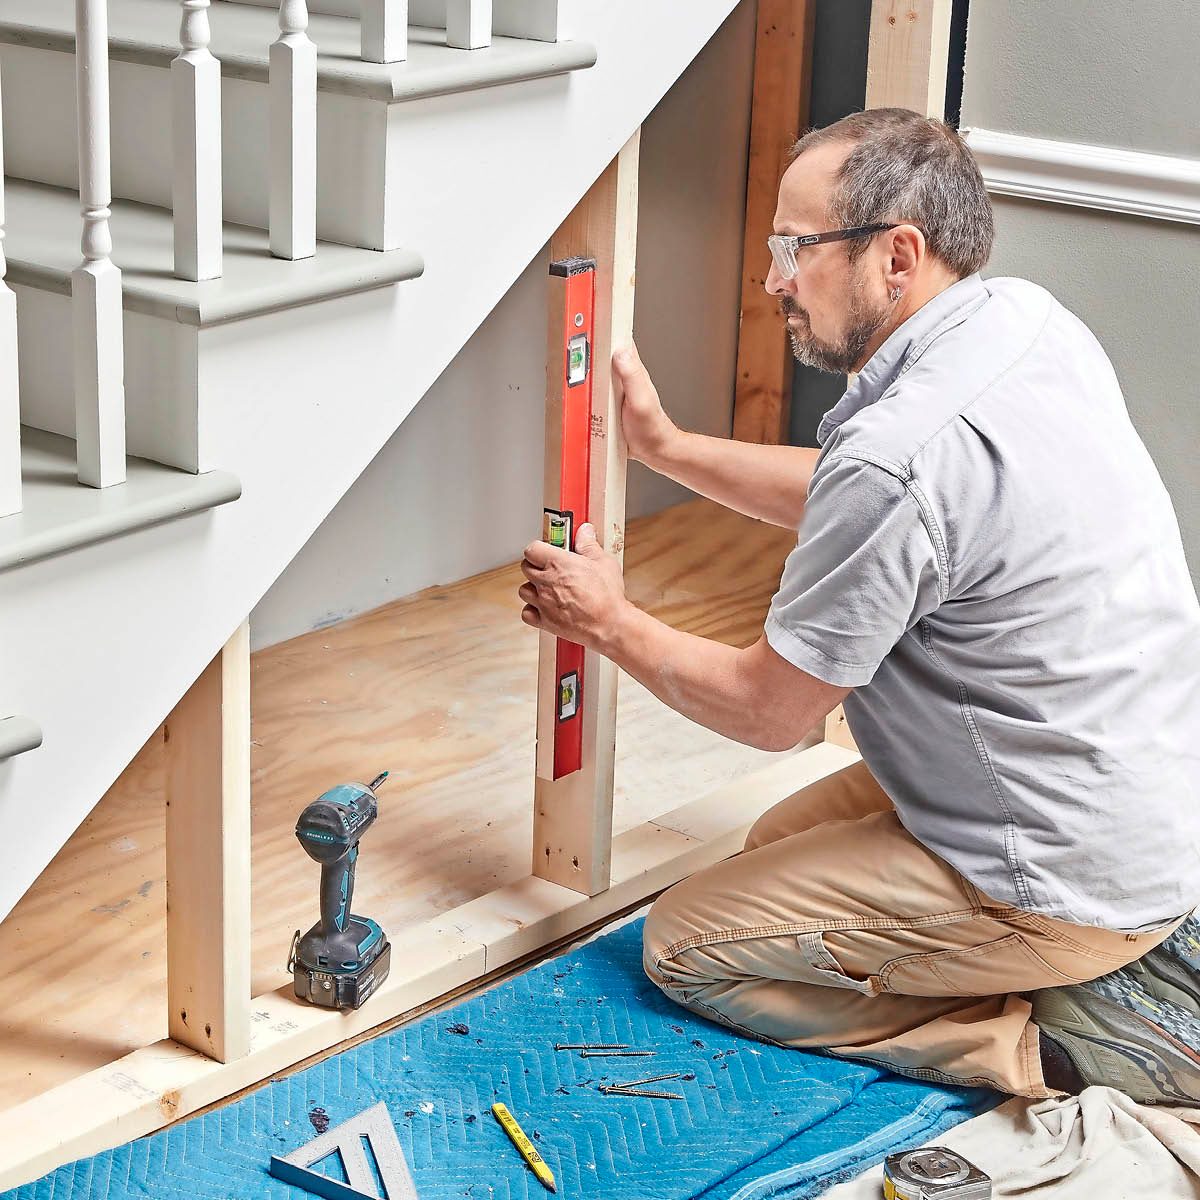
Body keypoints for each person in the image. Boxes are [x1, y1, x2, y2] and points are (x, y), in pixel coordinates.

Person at [517, 107, 1200, 1103]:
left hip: (1060, 876)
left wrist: (607, 622)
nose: (773, 281)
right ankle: (1083, 967)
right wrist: (665, 448)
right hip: (1117, 801)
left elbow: (769, 711)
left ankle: (1059, 1051)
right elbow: (868, 499)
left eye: (797, 248)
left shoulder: (905, 450)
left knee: (691, 946)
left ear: (896, 256)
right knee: (766, 856)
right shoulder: (1022, 323)